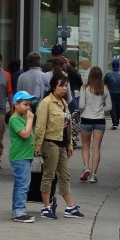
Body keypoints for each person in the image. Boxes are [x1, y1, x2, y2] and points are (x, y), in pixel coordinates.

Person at [33, 73, 83, 219]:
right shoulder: (46, 103)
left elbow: (68, 127)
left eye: (66, 85)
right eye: (61, 85)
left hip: (62, 143)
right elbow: (40, 126)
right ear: (54, 86)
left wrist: (70, 145)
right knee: (49, 175)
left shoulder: (63, 103)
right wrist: (38, 145)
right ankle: (46, 207)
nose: (64, 88)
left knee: (65, 175)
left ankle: (70, 207)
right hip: (50, 143)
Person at [7, 90, 38, 223]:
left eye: (29, 105)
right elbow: (25, 134)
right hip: (19, 156)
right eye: (25, 104)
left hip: (25, 154)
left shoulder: (23, 117)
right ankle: (19, 211)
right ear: (16, 105)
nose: (28, 107)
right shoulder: (14, 119)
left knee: (20, 183)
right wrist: (31, 119)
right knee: (23, 184)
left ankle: (17, 209)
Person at [78, 65, 111, 183]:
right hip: (100, 120)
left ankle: (86, 168)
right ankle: (93, 175)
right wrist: (100, 108)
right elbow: (109, 106)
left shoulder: (84, 88)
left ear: (90, 75)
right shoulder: (104, 88)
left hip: (86, 119)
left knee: (85, 145)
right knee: (96, 147)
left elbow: (81, 105)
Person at [104, 59, 120, 128]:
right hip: (118, 94)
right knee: (117, 108)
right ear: (118, 66)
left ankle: (115, 122)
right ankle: (117, 121)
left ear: (112, 66)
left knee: (112, 108)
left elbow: (103, 83)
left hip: (111, 93)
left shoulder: (108, 75)